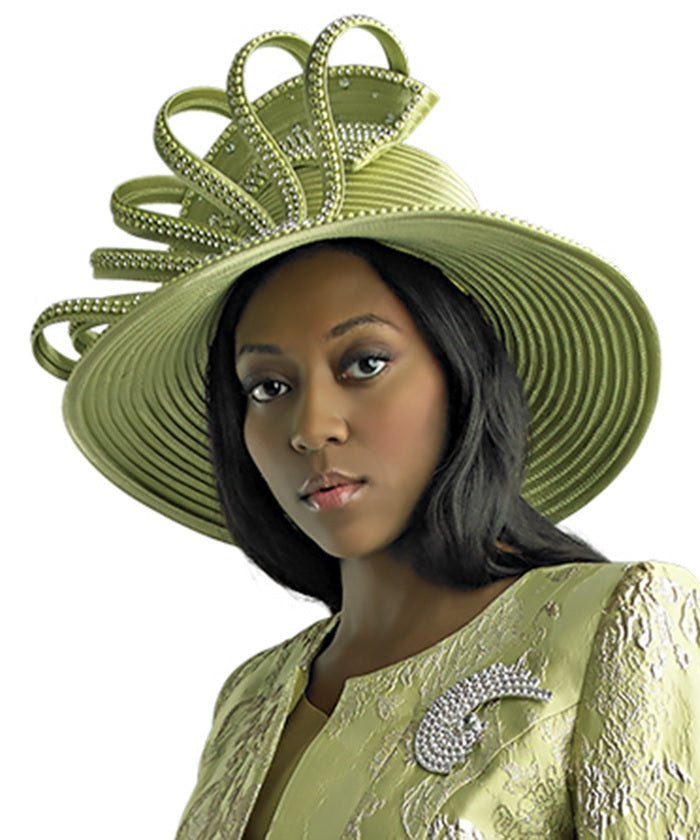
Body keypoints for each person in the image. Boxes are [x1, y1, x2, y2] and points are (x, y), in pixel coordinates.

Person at [30, 13, 699, 839]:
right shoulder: (253, 697)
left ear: (460, 373)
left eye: (365, 363)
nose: (310, 427)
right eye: (267, 385)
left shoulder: (616, 623)